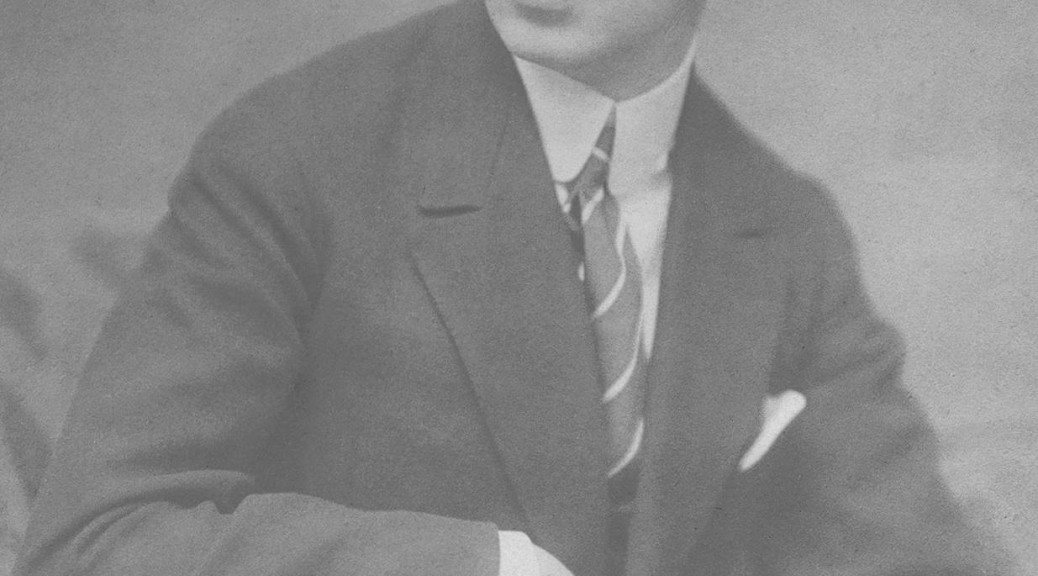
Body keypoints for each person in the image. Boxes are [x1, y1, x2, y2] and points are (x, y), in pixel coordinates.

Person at [16, 0, 997, 575]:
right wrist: (478, 569)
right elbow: (92, 544)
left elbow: (914, 553)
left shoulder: (785, 227)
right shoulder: (293, 156)